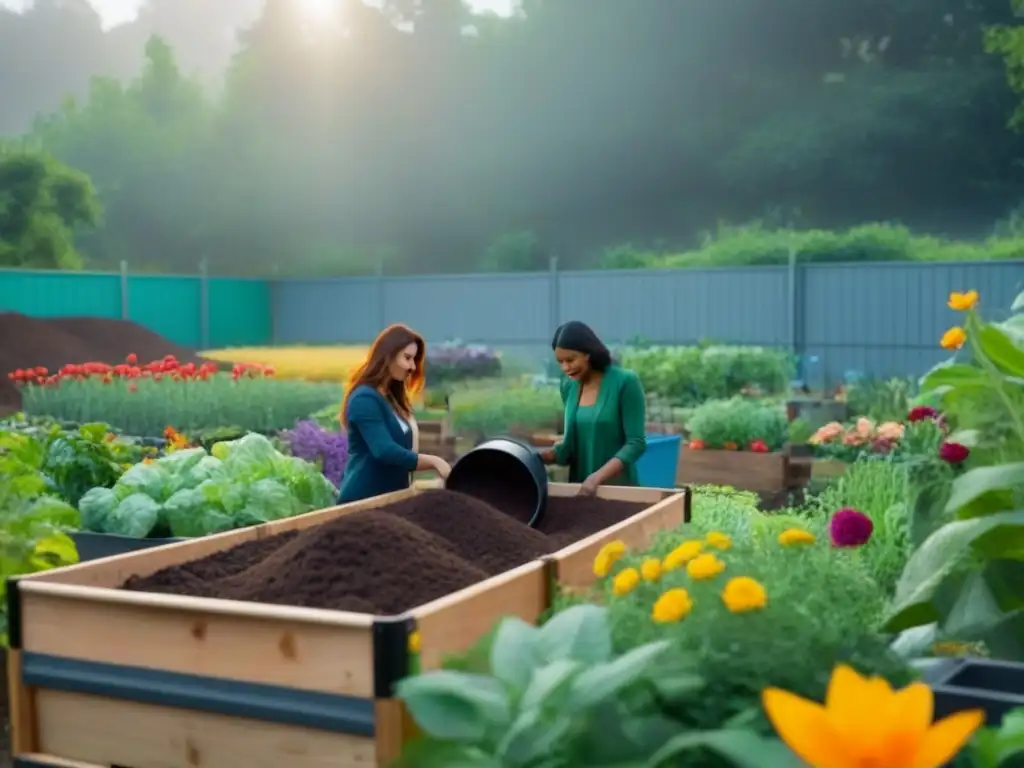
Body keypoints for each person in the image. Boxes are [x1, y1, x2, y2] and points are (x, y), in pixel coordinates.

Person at [338, 324, 452, 503]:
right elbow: (385, 451)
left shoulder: (390, 399)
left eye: (414, 360)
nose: (412, 367)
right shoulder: (364, 399)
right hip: (363, 503)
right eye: (407, 358)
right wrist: (433, 462)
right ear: (388, 356)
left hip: (391, 500)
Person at [540, 321, 647, 495]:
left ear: (587, 353)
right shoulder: (569, 385)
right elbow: (571, 445)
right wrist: (541, 456)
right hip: (580, 490)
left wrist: (597, 478)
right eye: (560, 362)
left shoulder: (625, 382)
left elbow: (636, 443)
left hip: (618, 492)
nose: (565, 368)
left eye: (570, 360)